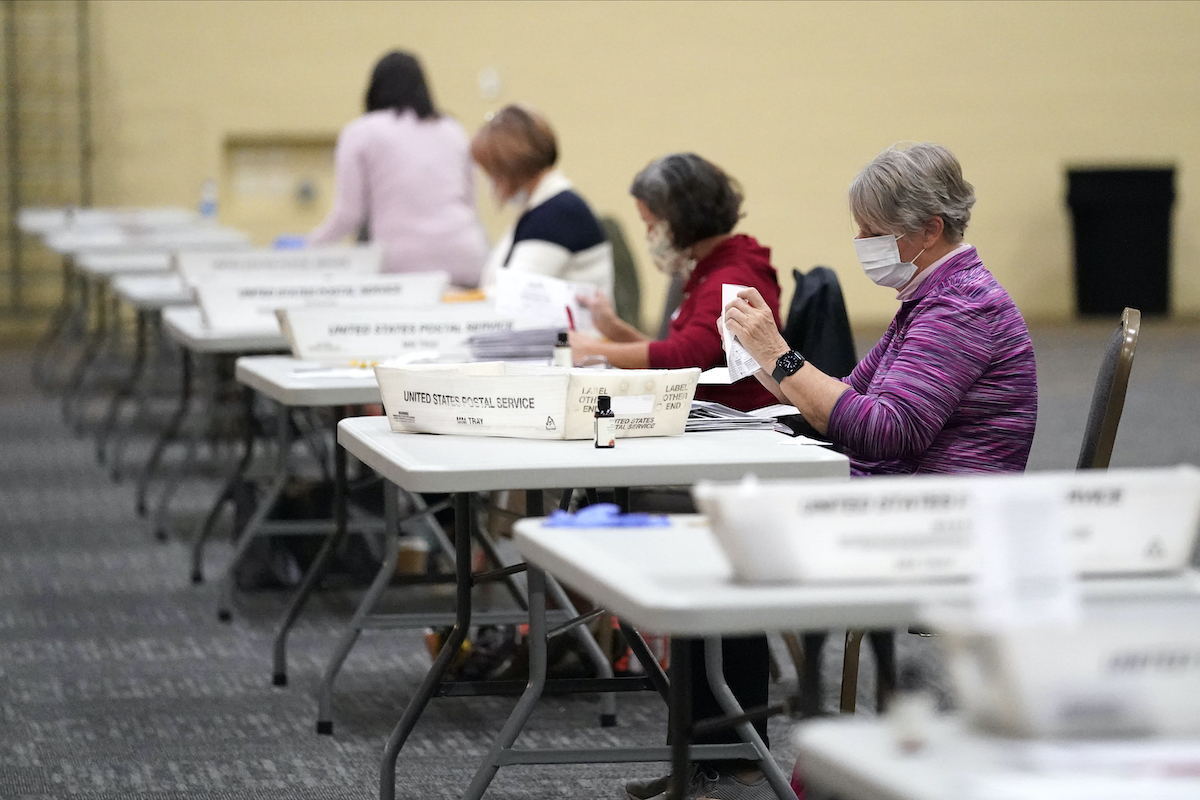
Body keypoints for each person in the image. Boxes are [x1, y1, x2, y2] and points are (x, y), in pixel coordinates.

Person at [726, 142, 1038, 475]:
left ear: (931, 230)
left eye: (874, 232)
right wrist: (758, 352)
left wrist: (777, 354)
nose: (861, 241)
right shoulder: (930, 298)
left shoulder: (963, 306)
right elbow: (849, 392)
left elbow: (887, 431)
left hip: (931, 508)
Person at [570, 153, 780, 412]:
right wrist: (614, 330)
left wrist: (590, 352)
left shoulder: (732, 277)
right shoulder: (710, 267)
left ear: (682, 221)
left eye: (651, 225)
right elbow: (673, 355)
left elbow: (685, 358)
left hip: (740, 425)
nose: (648, 236)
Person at [308, 51, 488, 287]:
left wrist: (308, 248)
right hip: (466, 255)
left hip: (403, 264)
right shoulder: (451, 128)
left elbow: (349, 214)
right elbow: (469, 201)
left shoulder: (361, 132)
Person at [470, 104, 613, 295]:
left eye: (491, 171)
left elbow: (514, 294)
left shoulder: (557, 214)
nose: (489, 180)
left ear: (509, 169)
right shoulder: (543, 208)